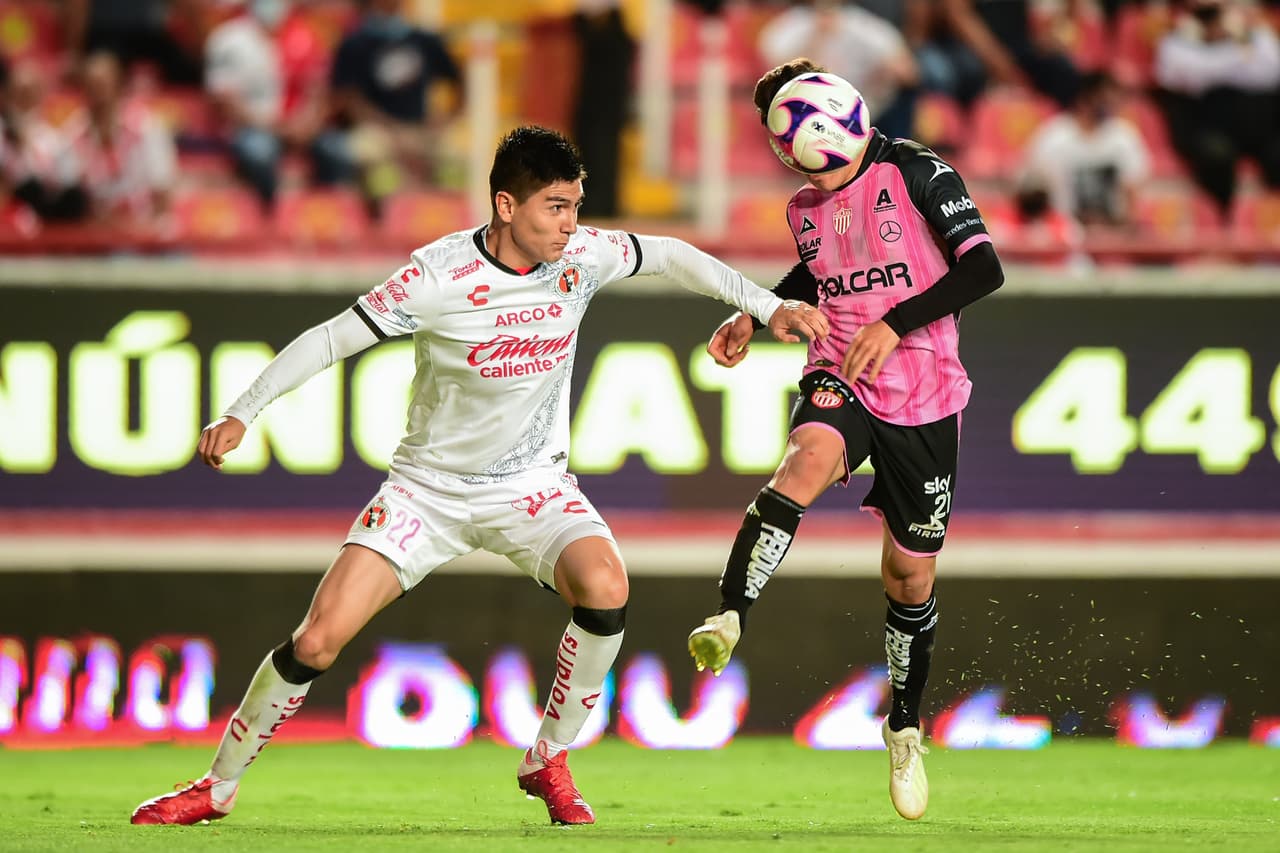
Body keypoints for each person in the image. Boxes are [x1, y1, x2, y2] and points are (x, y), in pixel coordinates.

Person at [128, 125, 827, 828]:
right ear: (504, 205)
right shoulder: (438, 277)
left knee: (607, 586)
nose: (571, 224)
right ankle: (216, 786)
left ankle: (547, 758)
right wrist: (244, 412)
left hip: (532, 486)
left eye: (576, 205)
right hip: (424, 492)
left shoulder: (581, 256)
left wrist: (768, 307)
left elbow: (673, 255)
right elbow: (333, 337)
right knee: (316, 640)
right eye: (555, 207)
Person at [686, 59, 1004, 822]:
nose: (792, 157)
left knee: (908, 578)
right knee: (808, 458)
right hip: (842, 368)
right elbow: (821, 272)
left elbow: (984, 268)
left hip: (924, 388)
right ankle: (730, 613)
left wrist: (898, 323)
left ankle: (902, 724)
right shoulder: (804, 207)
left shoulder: (921, 171)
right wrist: (756, 311)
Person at [1017, 69, 1151, 227]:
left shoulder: (1124, 137)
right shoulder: (1054, 137)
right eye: (1103, 99)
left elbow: (1131, 193)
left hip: (1113, 231)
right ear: (1084, 99)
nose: (1110, 105)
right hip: (1066, 231)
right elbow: (1033, 189)